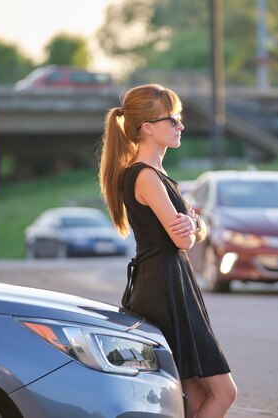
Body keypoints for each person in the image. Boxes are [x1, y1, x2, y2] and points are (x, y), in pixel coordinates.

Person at [99, 84, 237, 418]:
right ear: (147, 127)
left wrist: (193, 227)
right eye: (172, 120)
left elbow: (197, 228)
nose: (181, 126)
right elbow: (185, 239)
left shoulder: (159, 175)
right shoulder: (145, 177)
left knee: (192, 392)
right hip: (163, 285)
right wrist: (192, 228)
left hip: (173, 281)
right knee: (222, 392)